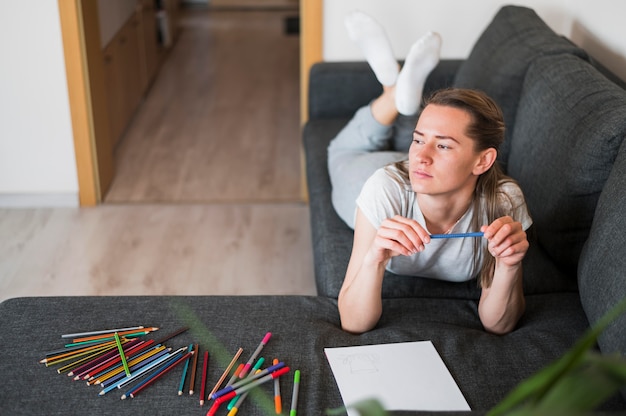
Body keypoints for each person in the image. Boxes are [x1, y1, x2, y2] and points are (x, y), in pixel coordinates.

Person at [328, 11, 533, 335]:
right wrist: (374, 259)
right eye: (418, 139)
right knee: (342, 152)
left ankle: (397, 93)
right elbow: (352, 322)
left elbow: (499, 325)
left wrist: (510, 265)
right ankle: (394, 94)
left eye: (444, 146)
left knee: (402, 146)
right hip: (372, 174)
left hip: (420, 178)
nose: (420, 156)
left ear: (483, 161)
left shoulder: (503, 203)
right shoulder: (383, 189)